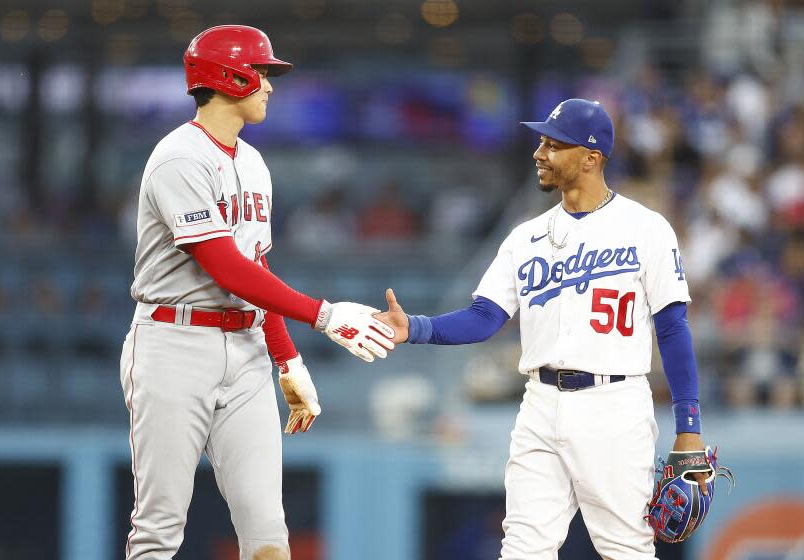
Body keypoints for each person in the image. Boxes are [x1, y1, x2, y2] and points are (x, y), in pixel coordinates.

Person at [376, 99, 710, 559]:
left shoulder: (645, 228)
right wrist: (414, 327)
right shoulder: (524, 237)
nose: (539, 152)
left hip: (613, 404)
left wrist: (688, 423)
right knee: (522, 548)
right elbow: (484, 317)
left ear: (591, 158)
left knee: (626, 548)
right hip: (539, 400)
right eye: (541, 142)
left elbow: (672, 328)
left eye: (554, 144)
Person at [119, 25, 394, 560]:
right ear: (229, 76)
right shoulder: (179, 157)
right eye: (262, 72)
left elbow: (255, 265)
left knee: (268, 533)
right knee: (158, 530)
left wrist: (287, 360)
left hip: (244, 351)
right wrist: (324, 315)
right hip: (175, 344)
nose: (270, 84)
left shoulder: (252, 162)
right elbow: (224, 266)